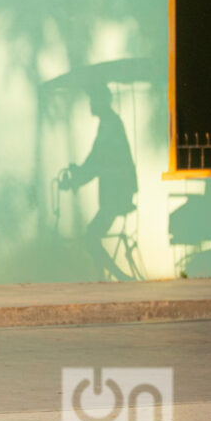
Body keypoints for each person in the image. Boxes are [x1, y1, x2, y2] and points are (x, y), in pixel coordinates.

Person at [60, 84, 139, 280]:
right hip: (116, 193)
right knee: (92, 236)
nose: (90, 104)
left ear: (102, 101)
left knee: (91, 237)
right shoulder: (109, 123)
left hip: (116, 194)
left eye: (93, 100)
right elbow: (95, 159)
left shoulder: (110, 125)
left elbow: (97, 160)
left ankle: (119, 278)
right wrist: (79, 175)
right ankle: (104, 279)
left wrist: (77, 178)